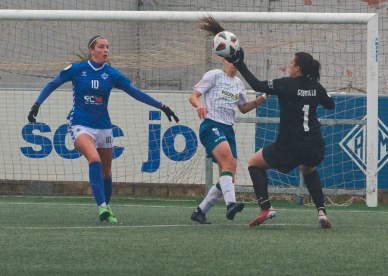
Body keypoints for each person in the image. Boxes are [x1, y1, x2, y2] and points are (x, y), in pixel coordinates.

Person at [27, 36, 179, 222]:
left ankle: (107, 209)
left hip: (104, 128)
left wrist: (162, 106)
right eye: (101, 47)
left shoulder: (112, 74)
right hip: (80, 124)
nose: (106, 50)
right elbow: (52, 84)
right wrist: (37, 104)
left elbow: (135, 92)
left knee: (106, 172)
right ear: (92, 50)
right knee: (94, 158)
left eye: (107, 47)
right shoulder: (77, 69)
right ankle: (101, 208)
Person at [226, 48, 335, 228]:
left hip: (290, 146)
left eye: (291, 63)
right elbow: (330, 105)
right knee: (308, 169)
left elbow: (257, 85)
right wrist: (319, 90)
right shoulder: (316, 87)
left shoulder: (286, 84)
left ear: (298, 68)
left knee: (254, 163)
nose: (288, 66)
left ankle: (265, 207)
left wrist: (240, 64)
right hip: (315, 146)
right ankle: (321, 211)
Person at [189, 57, 269, 224]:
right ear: (224, 60)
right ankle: (230, 205)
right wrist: (199, 105)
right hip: (211, 125)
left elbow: (244, 108)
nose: (234, 63)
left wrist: (265, 96)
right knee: (228, 162)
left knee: (229, 177)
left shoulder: (239, 83)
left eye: (237, 61)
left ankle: (200, 212)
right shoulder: (214, 75)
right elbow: (193, 96)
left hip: (228, 129)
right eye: (231, 60)